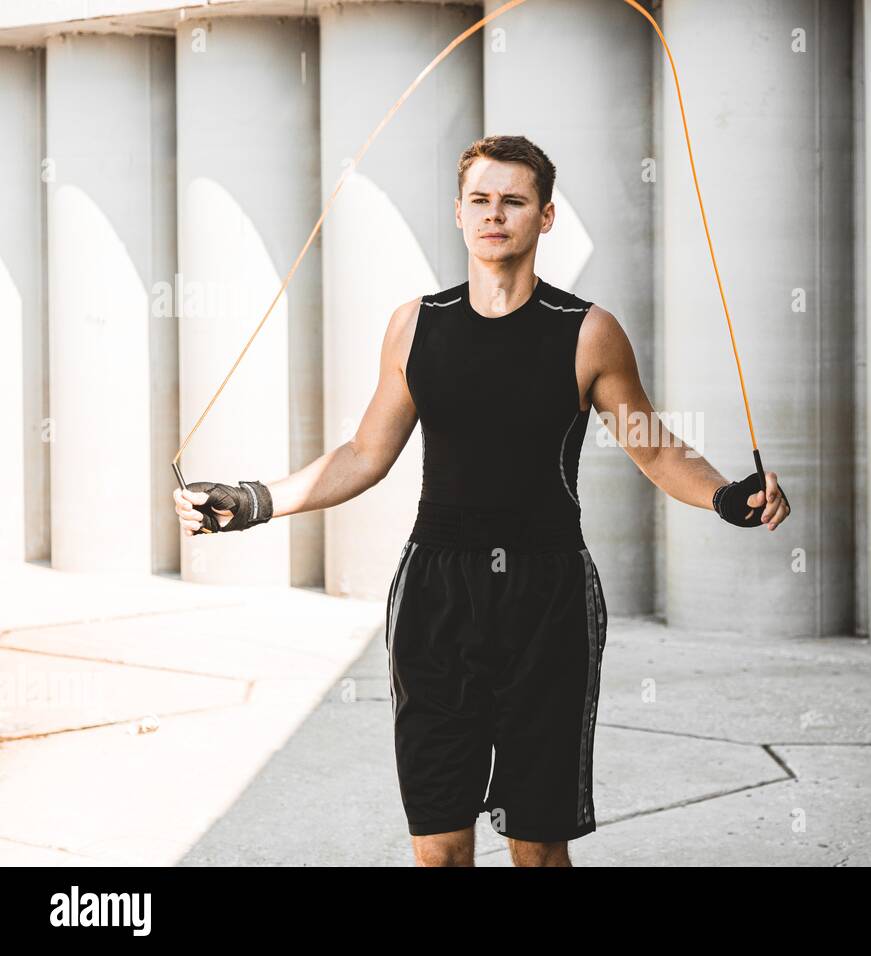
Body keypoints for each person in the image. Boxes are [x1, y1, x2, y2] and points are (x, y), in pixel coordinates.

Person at [173, 134, 791, 866]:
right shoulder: (416, 324)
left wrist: (724, 495)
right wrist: (251, 500)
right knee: (438, 846)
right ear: (459, 214)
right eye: (480, 200)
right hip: (436, 594)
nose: (495, 214)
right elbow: (365, 453)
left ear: (545, 217)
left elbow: (652, 446)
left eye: (514, 200)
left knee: (538, 848)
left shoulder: (587, 333)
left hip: (547, 597)